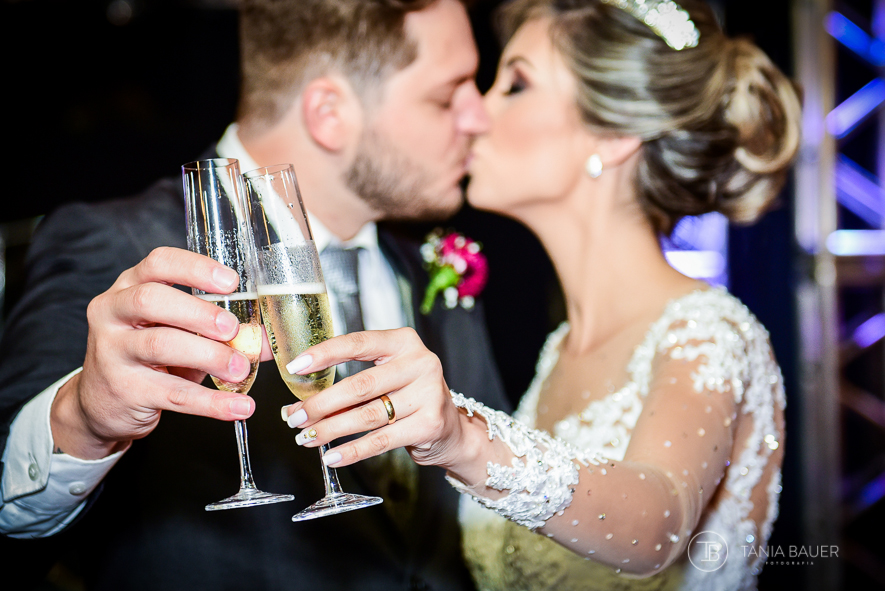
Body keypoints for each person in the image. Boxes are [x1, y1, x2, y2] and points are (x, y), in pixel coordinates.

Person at [279, 0, 801, 589]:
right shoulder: (558, 350)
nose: (473, 111)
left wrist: (464, 440)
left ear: (615, 133)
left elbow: (658, 520)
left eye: (516, 83)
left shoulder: (708, 334)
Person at [0, 0, 511, 589]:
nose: (479, 117)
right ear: (328, 113)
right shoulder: (118, 245)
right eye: (448, 95)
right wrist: (82, 420)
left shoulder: (425, 263)